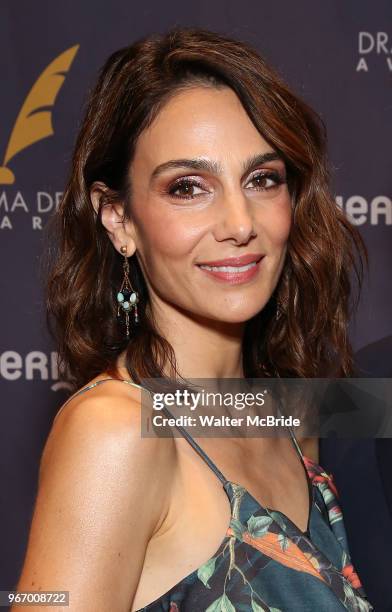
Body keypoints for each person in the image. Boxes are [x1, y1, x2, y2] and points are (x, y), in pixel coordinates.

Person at [14, 27, 372, 611]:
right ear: (118, 219)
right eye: (188, 187)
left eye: (262, 179)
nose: (239, 221)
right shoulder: (114, 433)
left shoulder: (286, 417)